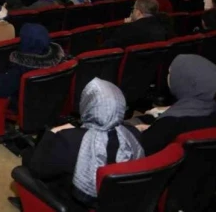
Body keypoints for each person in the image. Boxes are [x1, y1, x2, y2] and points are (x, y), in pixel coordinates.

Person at [20, 79, 143, 208]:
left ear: (88, 105)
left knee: (28, 155)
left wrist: (52, 133)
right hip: (116, 202)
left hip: (75, 203)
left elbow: (36, 168)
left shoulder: (69, 140)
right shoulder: (133, 135)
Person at [0, 24, 66, 146]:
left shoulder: (21, 70)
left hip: (27, 106)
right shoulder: (60, 61)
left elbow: (1, 90)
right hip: (54, 104)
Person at [136, 55, 216, 155]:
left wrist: (146, 131)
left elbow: (141, 150)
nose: (168, 76)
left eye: (171, 73)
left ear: (184, 82)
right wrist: (153, 129)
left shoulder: (171, 122)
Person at [103, 0, 168, 49]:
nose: (132, 12)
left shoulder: (129, 29)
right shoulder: (164, 24)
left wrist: (126, 26)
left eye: (133, 9)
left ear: (138, 13)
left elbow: (109, 45)